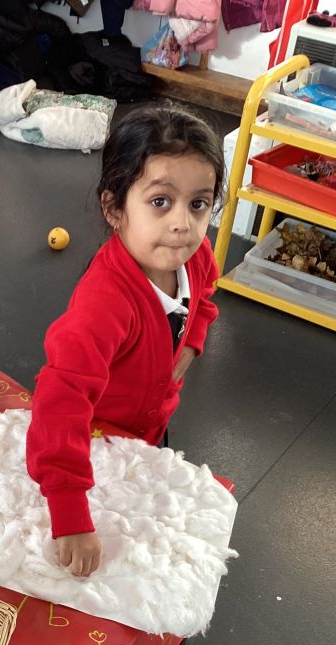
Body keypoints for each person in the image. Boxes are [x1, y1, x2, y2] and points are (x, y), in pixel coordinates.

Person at [26, 102, 224, 578]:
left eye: (198, 204)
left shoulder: (195, 256)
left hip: (150, 425)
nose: (182, 224)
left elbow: (207, 295)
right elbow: (60, 401)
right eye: (160, 202)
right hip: (98, 440)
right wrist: (70, 514)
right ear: (114, 208)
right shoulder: (105, 302)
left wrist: (192, 341)